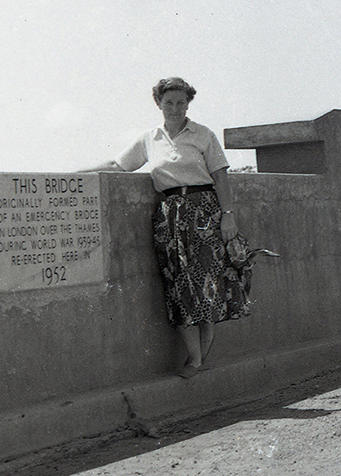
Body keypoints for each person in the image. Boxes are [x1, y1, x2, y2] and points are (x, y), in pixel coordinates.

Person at [86, 77, 253, 377]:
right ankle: (195, 357)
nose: (174, 108)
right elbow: (117, 165)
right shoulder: (151, 138)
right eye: (168, 103)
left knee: (207, 282)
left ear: (189, 103)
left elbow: (222, 177)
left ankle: (205, 345)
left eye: (180, 102)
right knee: (177, 284)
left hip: (205, 212)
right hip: (169, 216)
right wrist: (78, 173)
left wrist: (228, 215)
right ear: (159, 105)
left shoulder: (203, 135)